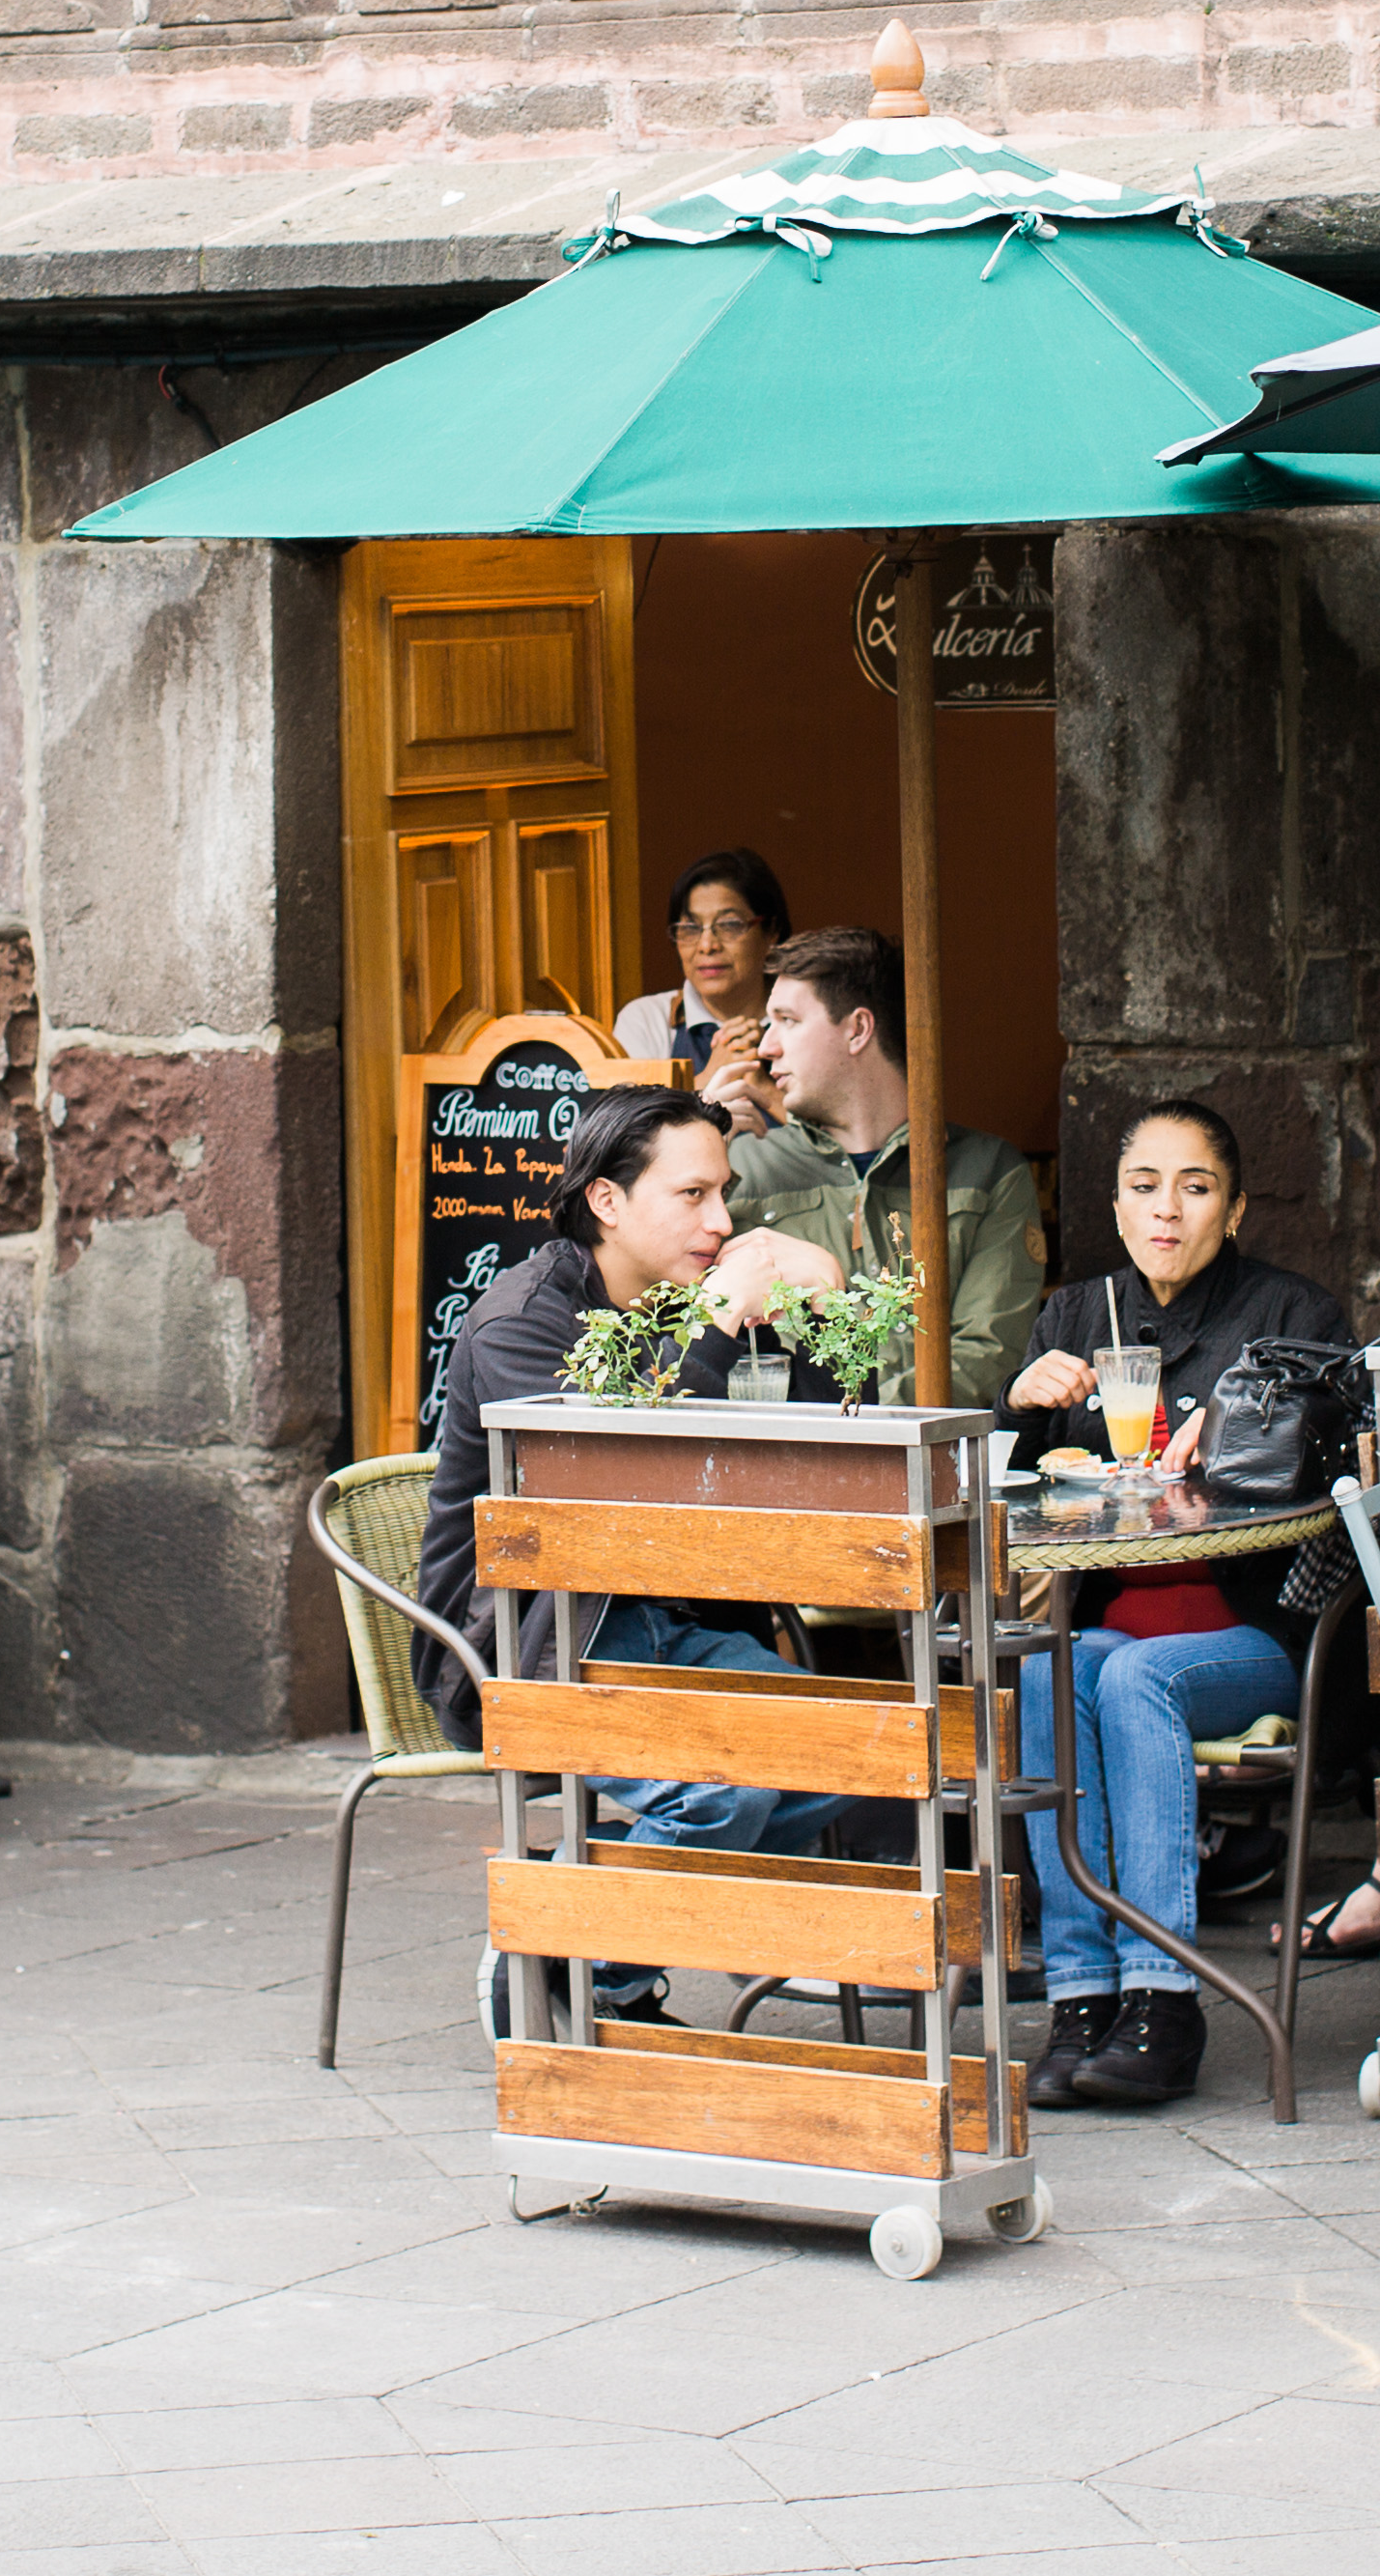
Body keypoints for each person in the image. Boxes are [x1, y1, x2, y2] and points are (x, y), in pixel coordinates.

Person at [412, 1087, 845, 2016]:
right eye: (692, 1195)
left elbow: (808, 1444)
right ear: (607, 1201)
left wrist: (823, 1306)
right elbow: (610, 1487)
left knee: (854, 1754)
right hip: (530, 1649)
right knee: (721, 1791)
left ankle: (581, 1935)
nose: (722, 1220)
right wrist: (721, 1318)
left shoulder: (680, 1300)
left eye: (722, 1193)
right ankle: (572, 1950)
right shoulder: (522, 1321)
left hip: (671, 1627)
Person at [994, 1101, 1353, 2110]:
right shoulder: (1076, 1317)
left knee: (1134, 1675)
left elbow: (1330, 1468)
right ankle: (1081, 1996)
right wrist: (1019, 1405)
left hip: (1260, 1635)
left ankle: (1164, 1996)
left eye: (1194, 1188)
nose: (1167, 1210)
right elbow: (1006, 1484)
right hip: (1112, 1622)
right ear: (1114, 1206)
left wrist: (1237, 1440)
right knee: (1052, 1668)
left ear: (1232, 1209)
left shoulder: (1294, 1319)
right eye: (1144, 1186)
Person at [727, 926, 1047, 1410]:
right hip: (782, 1465)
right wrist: (694, 1144)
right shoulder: (738, 1166)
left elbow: (989, 1359)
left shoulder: (988, 1173)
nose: (766, 1046)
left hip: (938, 1471)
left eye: (787, 1020)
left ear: (857, 1029)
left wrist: (851, 1413)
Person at [614, 847, 792, 1140]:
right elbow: (622, 1144)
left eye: (729, 925)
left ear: (771, 931)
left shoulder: (807, 1019)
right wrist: (710, 1079)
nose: (707, 944)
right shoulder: (648, 1020)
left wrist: (762, 1087)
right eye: (690, 928)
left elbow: (847, 1148)